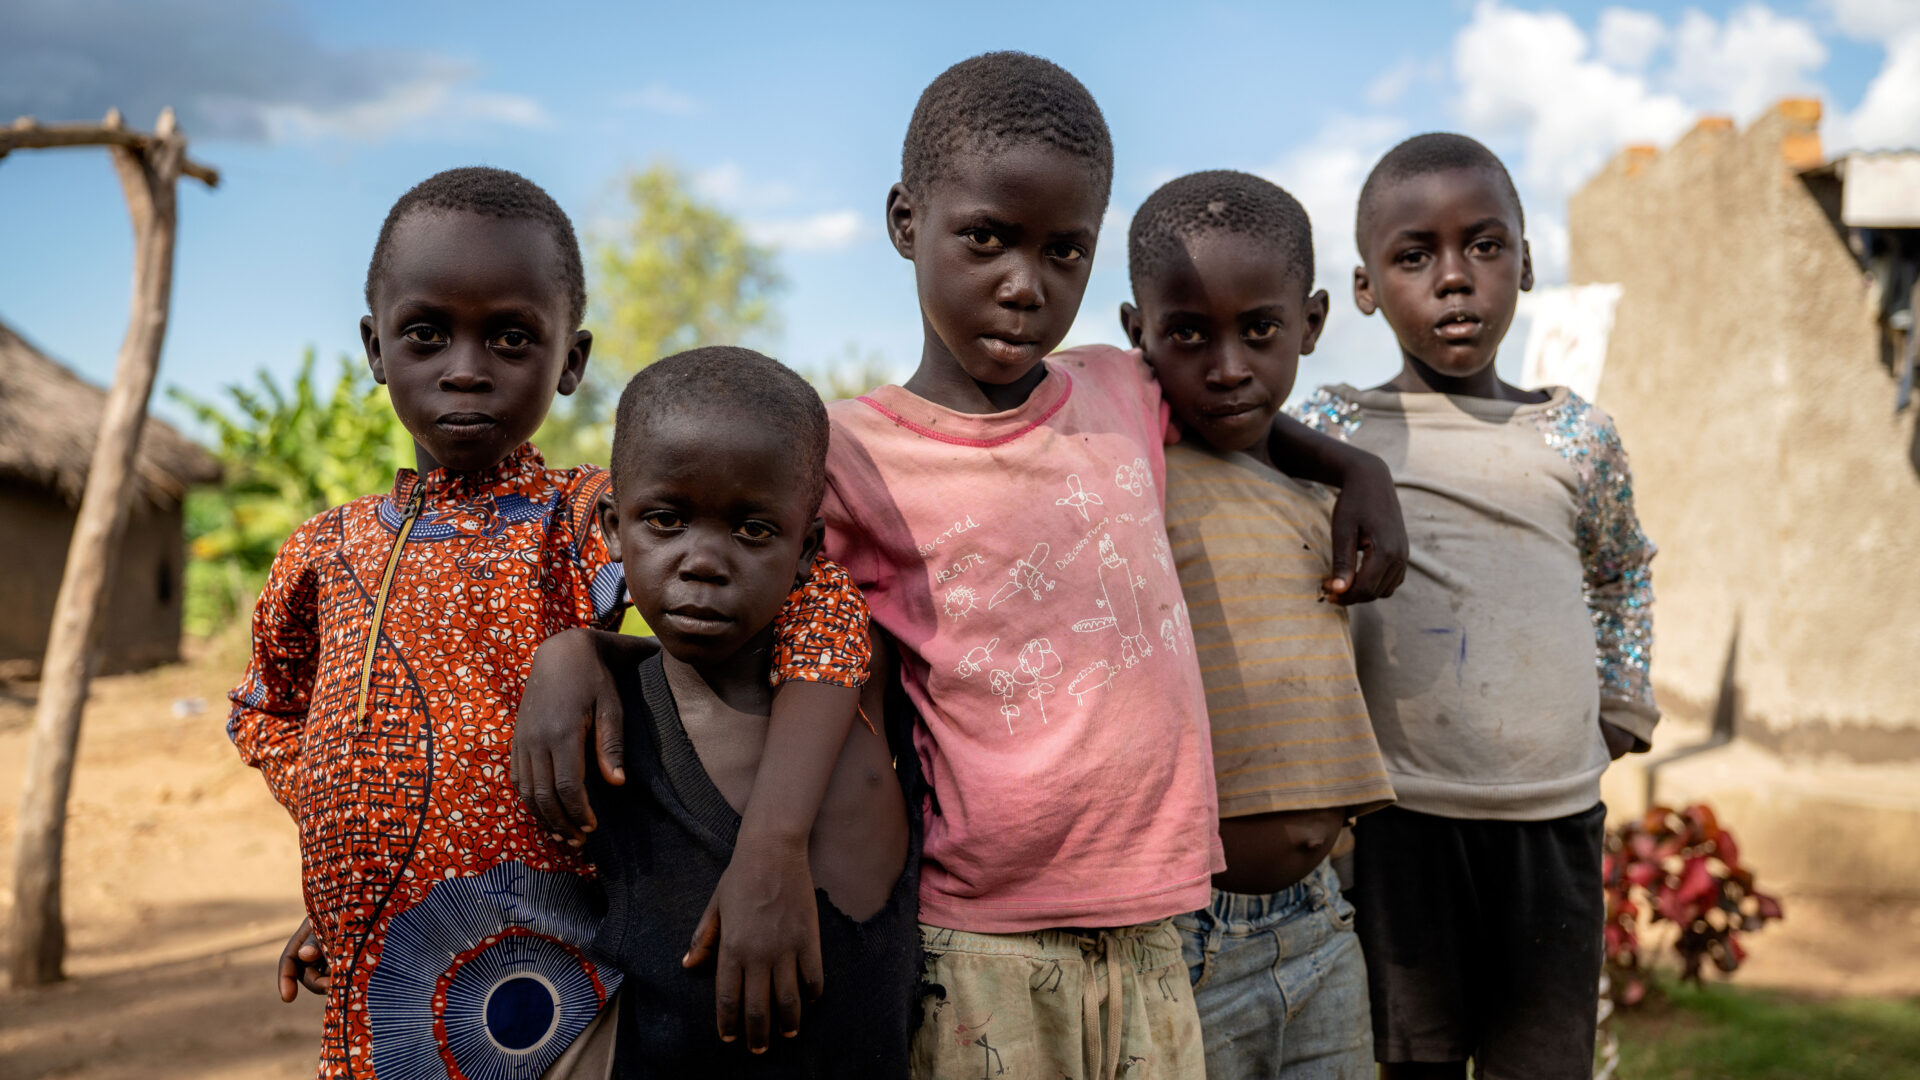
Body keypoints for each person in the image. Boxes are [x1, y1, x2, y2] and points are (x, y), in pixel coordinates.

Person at [518, 51, 1407, 1080]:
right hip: (981, 941)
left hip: (1161, 927)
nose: (1024, 284)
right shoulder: (843, 456)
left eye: (1064, 251)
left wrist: (1356, 470)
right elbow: (718, 570)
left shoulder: (1119, 388)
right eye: (985, 238)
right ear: (907, 222)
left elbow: (1236, 402)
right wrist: (579, 650)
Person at [229, 166, 868, 1079]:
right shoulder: (322, 552)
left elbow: (824, 608)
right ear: (376, 349)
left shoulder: (595, 523)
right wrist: (360, 856)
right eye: (425, 333)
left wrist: (771, 839)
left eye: (511, 338)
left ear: (570, 361)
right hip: (380, 997)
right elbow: (267, 711)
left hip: (566, 1004)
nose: (464, 366)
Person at [1292, 133, 1661, 1080]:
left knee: (1540, 1062)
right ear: (1367, 288)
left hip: (1555, 821)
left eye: (1484, 247)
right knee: (1406, 1059)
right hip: (1398, 823)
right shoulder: (1333, 431)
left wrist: (1618, 707)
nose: (1454, 280)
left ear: (1526, 264)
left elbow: (1620, 570)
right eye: (1415, 256)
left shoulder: (1574, 434)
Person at [1119, 170, 1398, 1079]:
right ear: (1137, 336)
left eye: (1261, 331)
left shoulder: (1312, 491)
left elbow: (1268, 428)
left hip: (1323, 922)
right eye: (1188, 335)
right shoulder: (1133, 469)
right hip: (1190, 936)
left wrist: (1360, 469)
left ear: (1312, 324)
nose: (1228, 365)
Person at [579, 346, 919, 1076]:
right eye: (666, 519)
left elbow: (836, 626)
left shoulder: (863, 678)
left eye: (753, 530)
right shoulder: (604, 724)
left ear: (809, 549)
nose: (704, 560)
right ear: (612, 525)